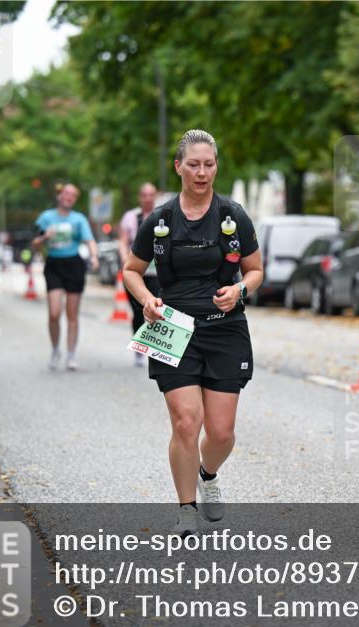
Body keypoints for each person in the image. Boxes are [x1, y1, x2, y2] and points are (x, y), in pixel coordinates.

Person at [123, 129, 263, 536]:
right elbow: (132, 271)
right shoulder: (162, 219)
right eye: (194, 164)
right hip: (173, 328)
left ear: (216, 166)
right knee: (186, 421)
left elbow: (255, 271)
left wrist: (239, 289)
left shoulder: (233, 216)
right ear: (178, 166)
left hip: (225, 329)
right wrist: (146, 299)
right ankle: (186, 509)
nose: (202, 172)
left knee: (220, 432)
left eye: (209, 164)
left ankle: (208, 473)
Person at [31, 184, 99, 371]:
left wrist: (93, 256)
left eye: (73, 195)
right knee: (54, 313)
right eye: (66, 193)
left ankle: (70, 355)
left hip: (74, 265)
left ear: (75, 199)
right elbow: (35, 244)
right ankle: (55, 350)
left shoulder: (78, 219)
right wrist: (45, 237)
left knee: (72, 314)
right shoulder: (46, 217)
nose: (69, 197)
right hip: (53, 265)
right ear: (59, 195)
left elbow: (89, 239)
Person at [119, 182, 161, 366]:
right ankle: (139, 348)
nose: (148, 198)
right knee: (138, 313)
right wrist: (125, 261)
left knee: (157, 310)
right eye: (144, 195)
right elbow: (123, 241)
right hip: (136, 273)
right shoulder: (130, 217)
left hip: (157, 273)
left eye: (151, 195)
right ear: (139, 197)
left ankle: (155, 349)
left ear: (156, 196)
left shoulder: (163, 215)